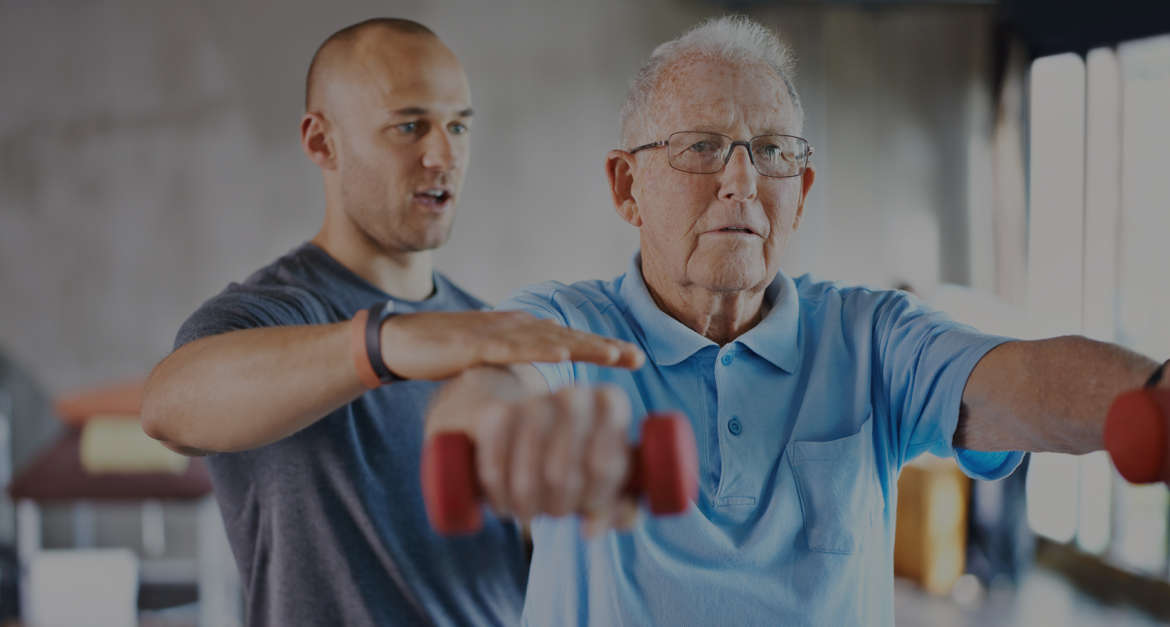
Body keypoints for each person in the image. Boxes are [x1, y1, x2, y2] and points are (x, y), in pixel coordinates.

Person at [424, 15, 1169, 625]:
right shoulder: (567, 322)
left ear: (802, 189)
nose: (742, 180)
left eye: (772, 151)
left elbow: (1018, 376)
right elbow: (491, 383)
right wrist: (500, 430)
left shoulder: (871, 336)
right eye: (703, 148)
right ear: (628, 186)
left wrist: (1153, 391)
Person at [140, 17, 642, 627]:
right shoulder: (266, 316)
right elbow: (169, 407)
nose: (443, 154)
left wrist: (561, 503)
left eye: (457, 125)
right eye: (409, 126)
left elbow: (514, 565)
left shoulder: (491, 333)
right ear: (321, 142)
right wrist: (386, 342)